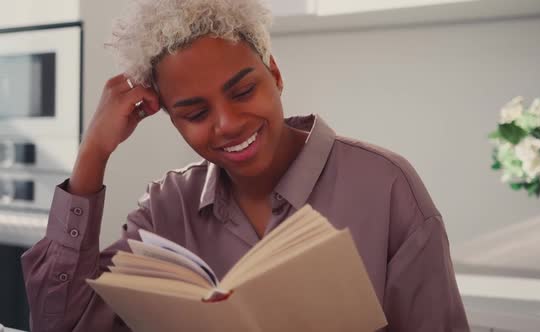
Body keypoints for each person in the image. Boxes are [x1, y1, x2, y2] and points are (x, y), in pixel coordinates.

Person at [21, 0, 469, 331]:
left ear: (274, 73)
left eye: (242, 92)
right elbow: (60, 325)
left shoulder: (385, 186)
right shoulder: (167, 207)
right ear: (173, 120)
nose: (228, 125)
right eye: (195, 114)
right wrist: (92, 155)